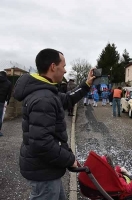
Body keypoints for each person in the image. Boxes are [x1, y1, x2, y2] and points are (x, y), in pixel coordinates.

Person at [13, 48, 95, 200]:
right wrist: (69, 159)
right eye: (63, 66)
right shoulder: (44, 99)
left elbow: (67, 99)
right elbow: (42, 143)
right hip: (43, 171)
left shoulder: (46, 91)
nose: (65, 71)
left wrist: (86, 84)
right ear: (53, 67)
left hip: (44, 168)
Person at [0, 71, 12, 136]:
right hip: (1, 101)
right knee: (0, 117)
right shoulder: (8, 83)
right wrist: (7, 101)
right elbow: (9, 94)